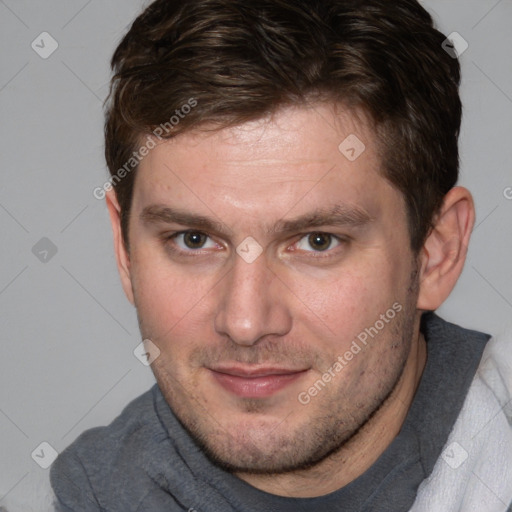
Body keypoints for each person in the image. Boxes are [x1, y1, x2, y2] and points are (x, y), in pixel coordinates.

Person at [49, 0, 512, 510]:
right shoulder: (98, 494)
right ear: (125, 249)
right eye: (194, 240)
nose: (245, 322)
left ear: (436, 252)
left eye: (317, 241)